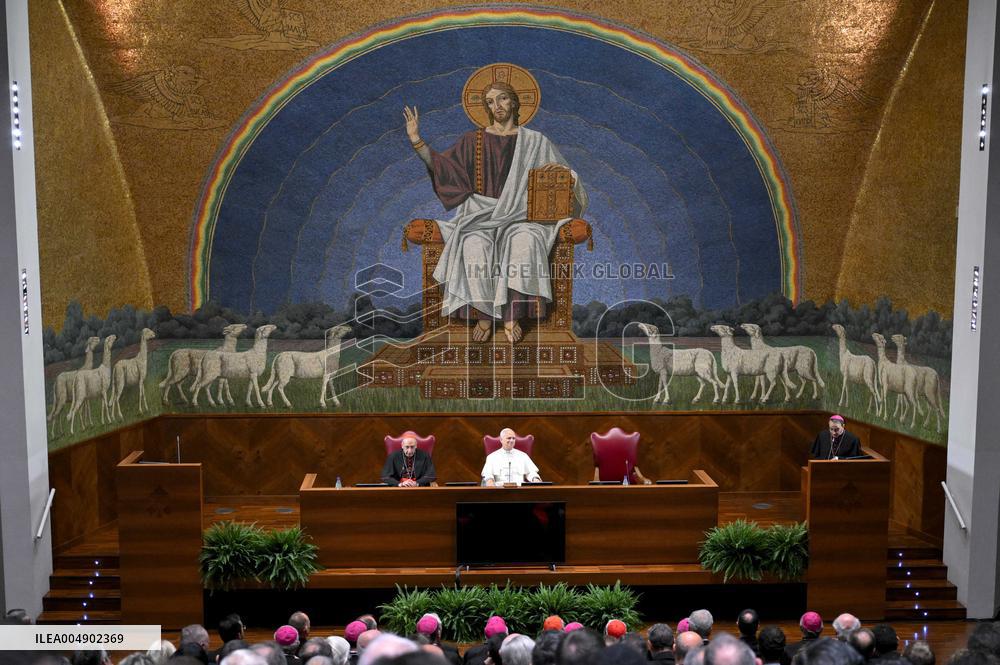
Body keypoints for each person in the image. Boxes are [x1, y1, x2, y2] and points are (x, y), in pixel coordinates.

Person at [403, 74, 588, 344]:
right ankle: (485, 315)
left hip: (523, 216)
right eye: (490, 101)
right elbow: (443, 168)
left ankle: (512, 315)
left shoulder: (536, 141)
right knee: (473, 244)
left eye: (502, 98)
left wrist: (564, 174)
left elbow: (566, 178)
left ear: (514, 102)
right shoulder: (472, 141)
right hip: (479, 215)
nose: (496, 105)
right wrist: (416, 140)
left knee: (524, 240)